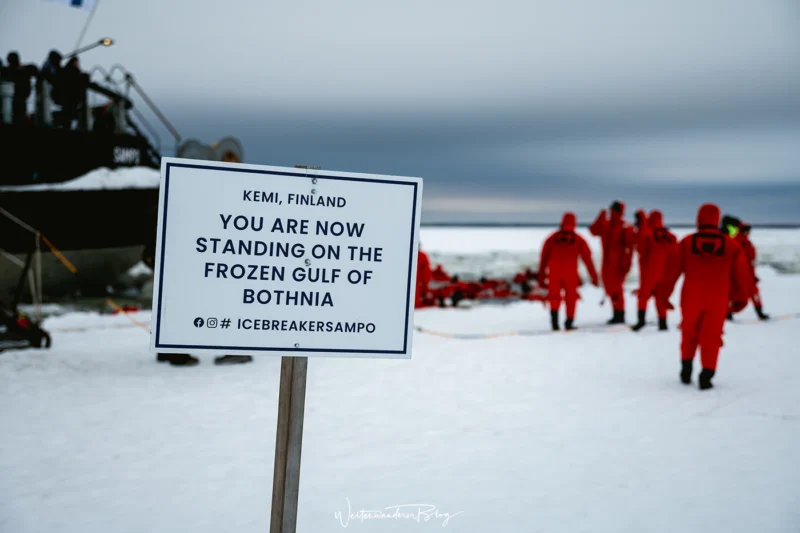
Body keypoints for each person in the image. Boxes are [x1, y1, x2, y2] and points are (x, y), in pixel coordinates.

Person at [657, 203, 753, 390]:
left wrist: (663, 296)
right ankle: (707, 375)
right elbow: (742, 276)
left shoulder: (685, 243)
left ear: (698, 219)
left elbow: (671, 273)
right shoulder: (732, 246)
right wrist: (741, 299)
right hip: (718, 299)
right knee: (712, 337)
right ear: (717, 220)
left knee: (689, 332)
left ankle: (686, 369)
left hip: (691, 297)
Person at [539, 212, 599, 331]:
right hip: (570, 274)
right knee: (571, 298)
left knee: (554, 297)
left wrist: (541, 276)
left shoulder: (551, 239)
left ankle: (555, 323)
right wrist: (594, 277)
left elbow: (543, 258)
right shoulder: (579, 240)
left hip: (554, 273)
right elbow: (588, 260)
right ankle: (569, 322)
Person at [589, 201, 635, 324]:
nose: (612, 211)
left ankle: (620, 314)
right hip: (607, 262)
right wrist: (600, 216)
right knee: (610, 288)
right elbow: (594, 231)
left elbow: (629, 248)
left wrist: (626, 264)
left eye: (614, 209)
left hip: (618, 263)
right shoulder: (606, 224)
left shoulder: (625, 227)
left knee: (617, 289)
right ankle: (616, 313)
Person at [632, 210, 678, 331]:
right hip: (665, 272)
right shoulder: (671, 237)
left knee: (643, 296)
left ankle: (641, 321)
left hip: (649, 271)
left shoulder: (647, 233)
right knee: (660, 298)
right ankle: (663, 323)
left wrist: (641, 229)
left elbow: (641, 250)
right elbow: (675, 256)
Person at [736, 222, 769, 320]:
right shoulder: (740, 242)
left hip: (745, 273)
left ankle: (728, 313)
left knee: (739, 293)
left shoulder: (741, 241)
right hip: (743, 273)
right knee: (753, 293)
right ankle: (759, 313)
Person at [4, 52, 38, 125]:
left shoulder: (21, 70)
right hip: (17, 100)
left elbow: (35, 70)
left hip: (18, 99)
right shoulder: (23, 70)